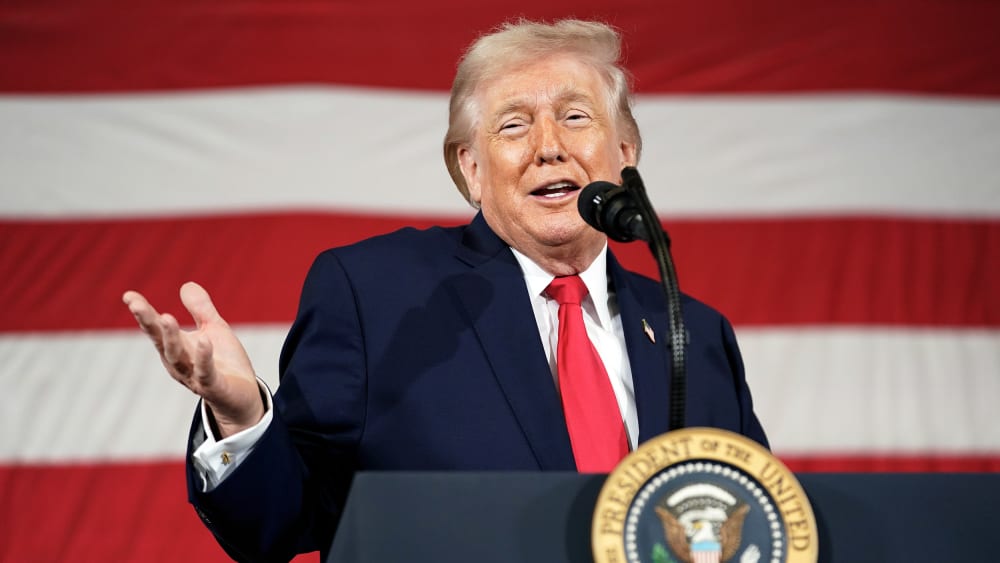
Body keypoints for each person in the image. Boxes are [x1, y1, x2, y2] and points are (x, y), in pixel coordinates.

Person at [123, 18, 767, 563]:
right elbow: (278, 524)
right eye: (513, 127)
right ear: (471, 169)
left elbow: (758, 528)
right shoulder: (379, 295)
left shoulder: (694, 331)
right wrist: (242, 420)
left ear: (624, 153)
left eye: (576, 117)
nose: (549, 147)